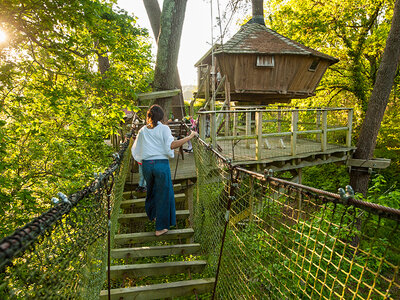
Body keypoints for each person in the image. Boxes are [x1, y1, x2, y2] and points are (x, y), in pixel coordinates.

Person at [131, 105, 197, 236]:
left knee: (151, 190)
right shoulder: (164, 129)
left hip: (147, 165)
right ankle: (160, 228)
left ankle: (154, 215)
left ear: (149, 116)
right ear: (161, 116)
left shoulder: (143, 130)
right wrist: (190, 137)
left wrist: (142, 160)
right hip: (161, 165)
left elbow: (136, 148)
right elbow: (171, 145)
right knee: (164, 194)